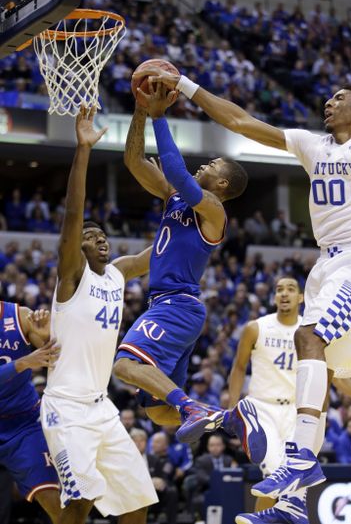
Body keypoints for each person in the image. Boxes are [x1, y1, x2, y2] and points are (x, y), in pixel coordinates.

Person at [136, 68, 351, 517]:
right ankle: (294, 507)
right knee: (326, 373)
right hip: (326, 266)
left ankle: (298, 457)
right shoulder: (311, 144)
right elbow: (239, 122)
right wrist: (184, 86)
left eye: (338, 98)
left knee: (307, 338)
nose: (328, 103)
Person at [112, 83, 266, 464]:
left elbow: (179, 173)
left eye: (212, 166)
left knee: (124, 366)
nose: (204, 166)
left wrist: (160, 117)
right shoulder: (174, 201)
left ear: (222, 183)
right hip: (172, 308)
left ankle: (192, 407)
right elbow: (133, 162)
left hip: (175, 306)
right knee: (158, 411)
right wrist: (139, 110)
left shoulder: (213, 212)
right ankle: (226, 418)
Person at [40, 106, 158, 524]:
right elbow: (74, 214)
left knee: (137, 501)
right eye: (91, 238)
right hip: (66, 408)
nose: (99, 240)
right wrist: (83, 150)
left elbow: (152, 255)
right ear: (79, 247)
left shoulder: (118, 274)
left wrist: (183, 206)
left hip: (101, 407)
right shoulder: (72, 277)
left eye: (103, 235)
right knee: (81, 503)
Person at [228, 276, 351, 523]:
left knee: (286, 485)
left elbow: (334, 377)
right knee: (278, 473)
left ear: (301, 297)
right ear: (274, 297)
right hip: (264, 408)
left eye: (290, 289)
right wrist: (234, 410)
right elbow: (239, 367)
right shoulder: (256, 328)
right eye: (278, 290)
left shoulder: (314, 330)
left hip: (299, 413)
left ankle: (282, 513)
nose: (284, 294)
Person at [0, 305, 60, 523]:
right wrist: (22, 363)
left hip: (23, 424)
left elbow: (53, 358)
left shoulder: (20, 316)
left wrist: (45, 338)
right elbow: (28, 361)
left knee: (53, 498)